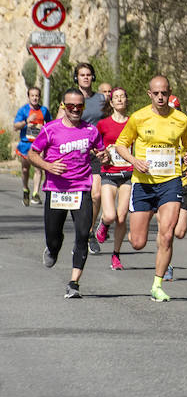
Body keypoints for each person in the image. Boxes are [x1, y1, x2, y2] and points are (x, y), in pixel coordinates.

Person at [115, 76, 187, 302]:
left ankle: (157, 284)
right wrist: (134, 161)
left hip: (171, 181)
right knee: (138, 242)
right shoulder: (138, 118)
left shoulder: (181, 119)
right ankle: (137, 227)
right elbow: (121, 145)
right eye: (156, 93)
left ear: (169, 92)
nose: (161, 97)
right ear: (149, 94)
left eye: (164, 93)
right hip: (143, 183)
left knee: (167, 234)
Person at [28, 88, 109, 297]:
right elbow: (32, 154)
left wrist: (104, 157)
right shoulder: (50, 129)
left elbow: (101, 152)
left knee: (83, 234)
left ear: (83, 107)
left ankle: (74, 283)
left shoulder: (91, 131)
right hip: (56, 190)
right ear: (64, 106)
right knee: (53, 237)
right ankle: (53, 248)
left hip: (81, 189)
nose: (75, 110)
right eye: (70, 106)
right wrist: (48, 166)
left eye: (79, 106)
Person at [66, 63, 108, 255]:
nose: (85, 78)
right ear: (76, 78)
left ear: (93, 77)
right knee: (78, 197)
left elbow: (111, 120)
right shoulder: (71, 98)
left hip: (97, 153)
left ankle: (90, 231)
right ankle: (82, 232)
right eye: (82, 75)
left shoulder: (101, 99)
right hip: (76, 153)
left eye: (89, 74)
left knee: (96, 195)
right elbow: (61, 121)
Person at [163, 95, 187, 282]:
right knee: (167, 227)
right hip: (163, 182)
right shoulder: (158, 128)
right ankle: (166, 263)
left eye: (176, 109)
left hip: (183, 182)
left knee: (179, 231)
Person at [94, 87, 133, 270]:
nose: (119, 100)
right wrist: (101, 154)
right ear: (111, 103)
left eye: (122, 97)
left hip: (128, 173)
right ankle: (103, 223)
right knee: (110, 215)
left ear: (126, 100)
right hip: (109, 172)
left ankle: (116, 255)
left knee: (121, 216)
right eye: (115, 97)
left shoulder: (134, 122)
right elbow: (95, 145)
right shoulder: (103, 124)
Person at [12, 86, 51, 206]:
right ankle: (25, 189)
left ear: (39, 97)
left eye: (37, 96)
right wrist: (26, 121)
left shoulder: (44, 110)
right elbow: (15, 127)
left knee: (38, 169)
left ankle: (35, 193)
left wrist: (43, 128)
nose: (35, 98)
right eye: (32, 95)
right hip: (25, 144)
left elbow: (50, 126)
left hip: (38, 145)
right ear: (28, 97)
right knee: (25, 169)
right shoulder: (23, 110)